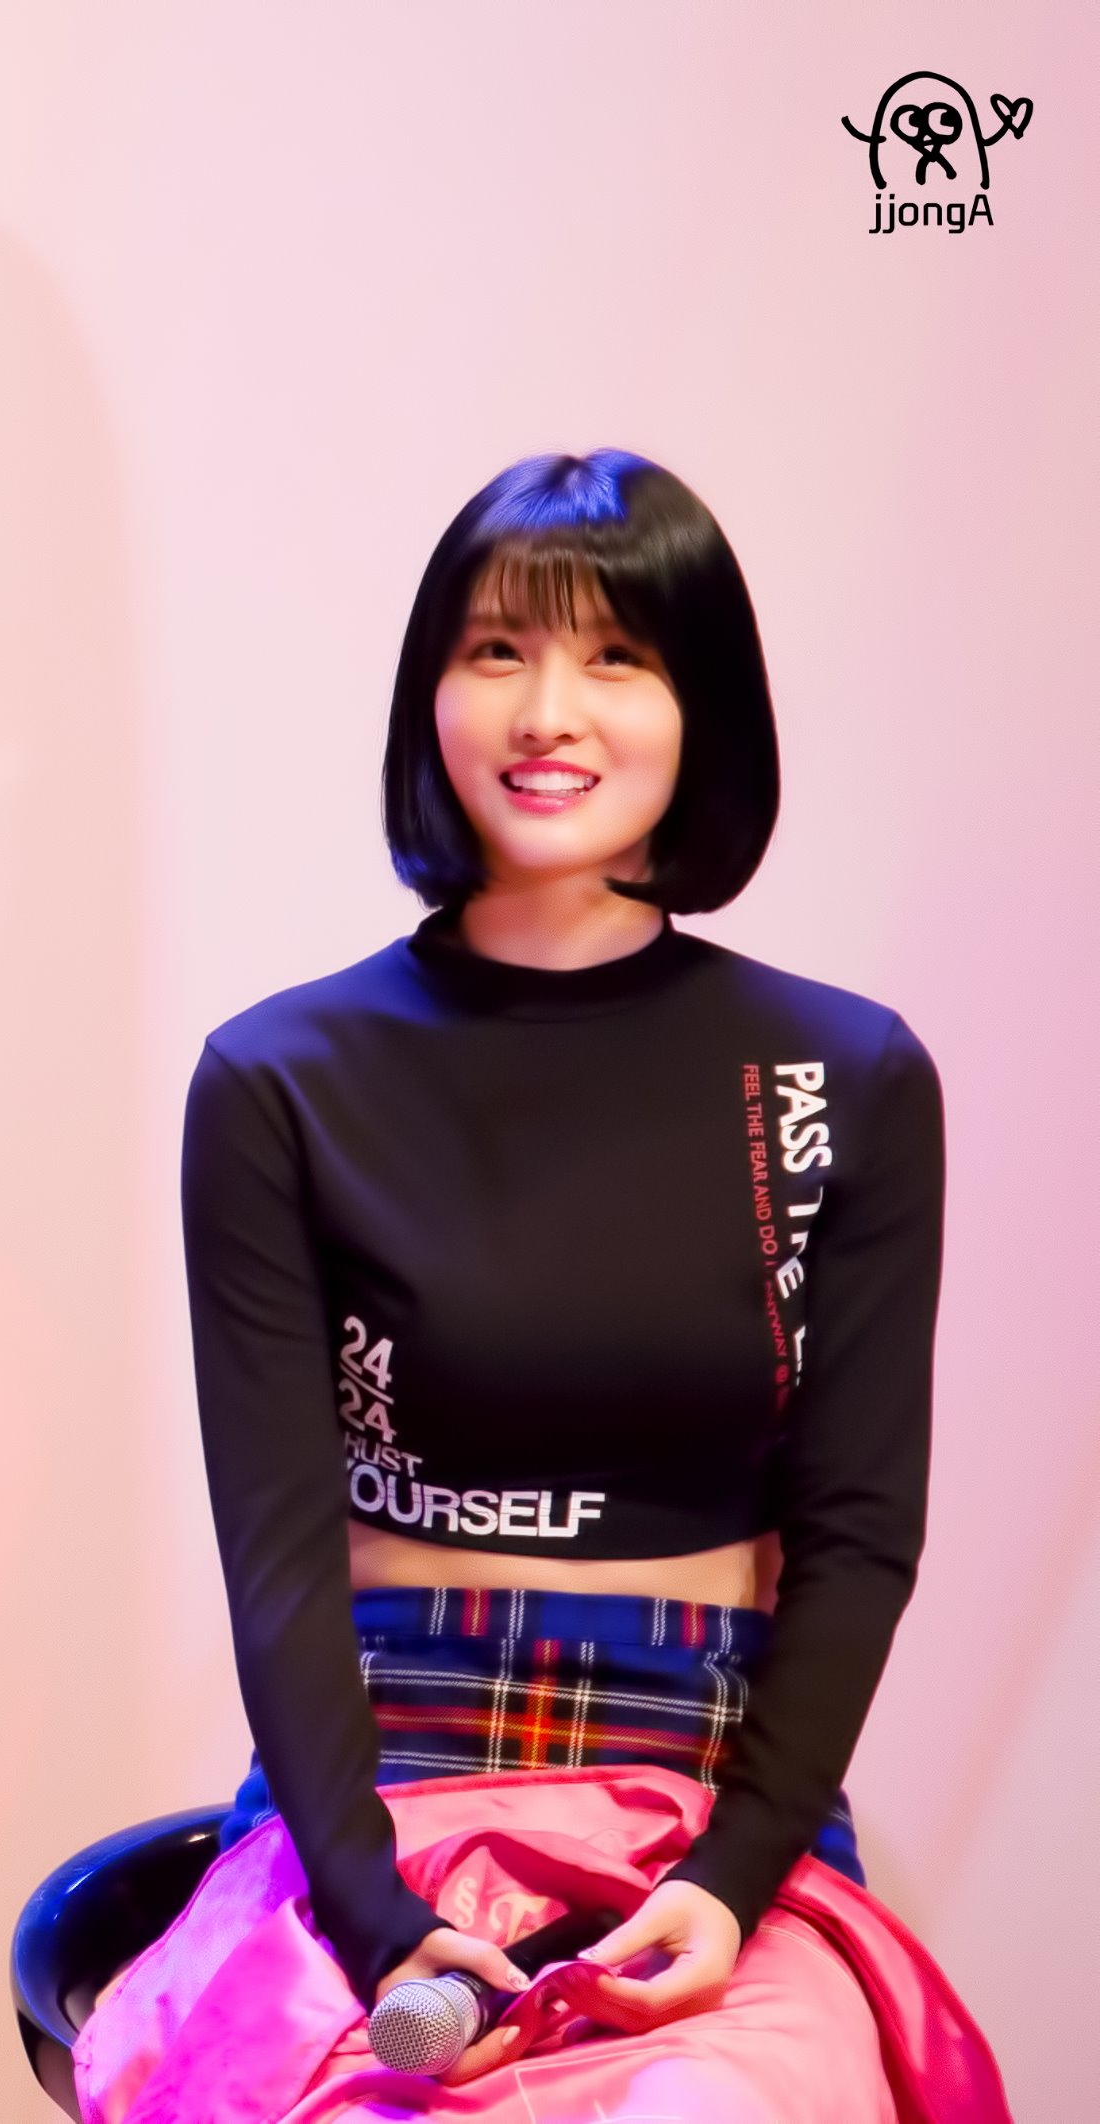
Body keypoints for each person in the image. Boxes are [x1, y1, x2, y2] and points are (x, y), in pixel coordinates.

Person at [174, 450, 964, 2095]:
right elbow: (279, 1559)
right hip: (381, 1785)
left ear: (701, 710)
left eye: (616, 658)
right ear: (433, 696)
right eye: (498, 652)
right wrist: (376, 1918)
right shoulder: (276, 1081)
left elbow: (858, 1536)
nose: (549, 713)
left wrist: (731, 1880)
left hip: (714, 1793)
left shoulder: (846, 1078)